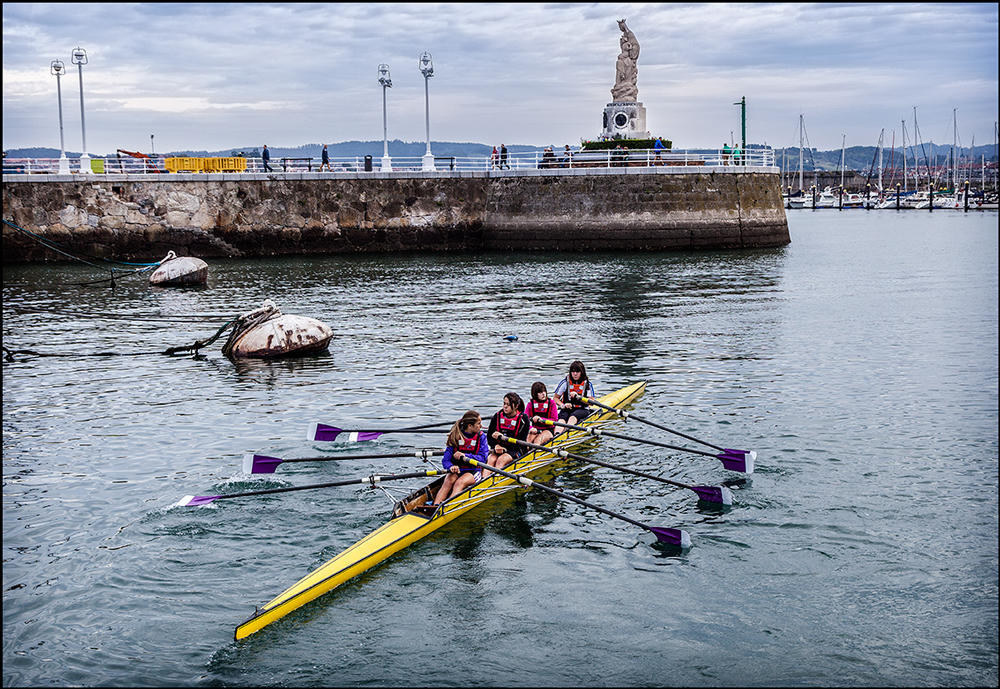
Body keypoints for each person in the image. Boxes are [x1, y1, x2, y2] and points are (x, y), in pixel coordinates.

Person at [430, 410, 488, 506]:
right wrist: (450, 467)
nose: (481, 426)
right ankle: (434, 506)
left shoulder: (481, 437)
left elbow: (483, 458)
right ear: (470, 426)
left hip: (474, 471)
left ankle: (448, 507)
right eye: (478, 423)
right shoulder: (455, 436)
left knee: (459, 483)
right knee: (448, 480)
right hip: (458, 470)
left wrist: (465, 456)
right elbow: (446, 460)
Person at [482, 392, 530, 479]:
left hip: (516, 448)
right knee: (491, 459)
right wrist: (495, 445)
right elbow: (489, 436)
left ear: (516, 406)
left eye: (508, 404)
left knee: (501, 460)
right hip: (499, 447)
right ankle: (482, 482)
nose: (505, 406)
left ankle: (495, 482)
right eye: (504, 403)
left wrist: (503, 439)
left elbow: (521, 441)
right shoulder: (497, 416)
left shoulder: (524, 419)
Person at [553, 360, 597, 428]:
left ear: (582, 372)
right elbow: (555, 398)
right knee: (561, 420)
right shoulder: (565, 383)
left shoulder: (587, 384)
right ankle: (557, 434)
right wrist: (562, 405)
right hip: (567, 409)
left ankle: (566, 433)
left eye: (577, 372)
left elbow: (592, 402)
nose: (575, 374)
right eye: (573, 372)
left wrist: (578, 397)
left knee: (572, 417)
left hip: (582, 409)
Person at [525, 381, 558, 446]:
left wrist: (540, 419)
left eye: (544, 391)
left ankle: (535, 453)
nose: (543, 394)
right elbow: (525, 420)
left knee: (537, 440)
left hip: (548, 430)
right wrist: (530, 428)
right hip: (535, 429)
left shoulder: (551, 403)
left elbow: (554, 420)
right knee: (527, 441)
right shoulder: (530, 404)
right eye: (540, 392)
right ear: (535, 394)